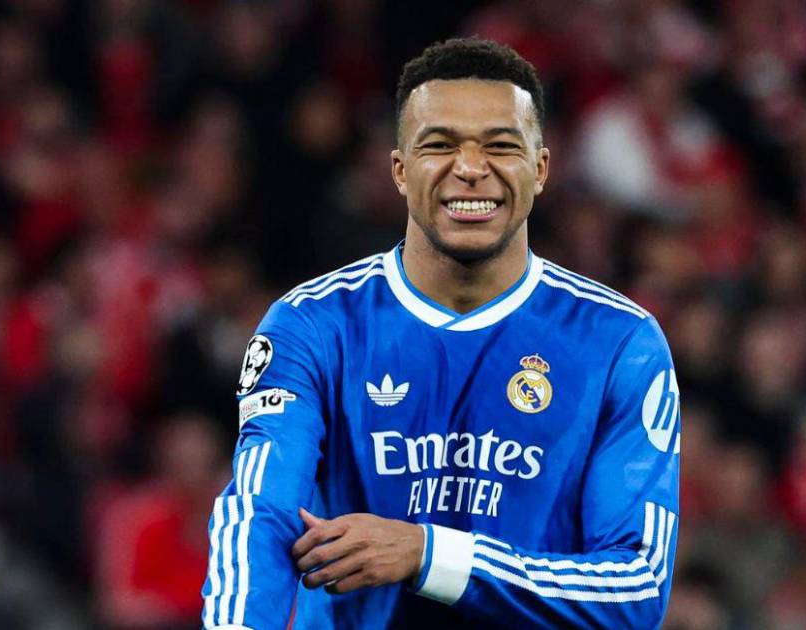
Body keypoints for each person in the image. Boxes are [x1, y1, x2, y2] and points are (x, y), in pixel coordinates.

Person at [202, 37, 681, 630]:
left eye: (501, 145)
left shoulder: (618, 342)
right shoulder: (313, 325)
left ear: (540, 169)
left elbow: (636, 587)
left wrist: (431, 555)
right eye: (440, 145)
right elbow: (259, 515)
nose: (471, 168)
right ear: (401, 171)